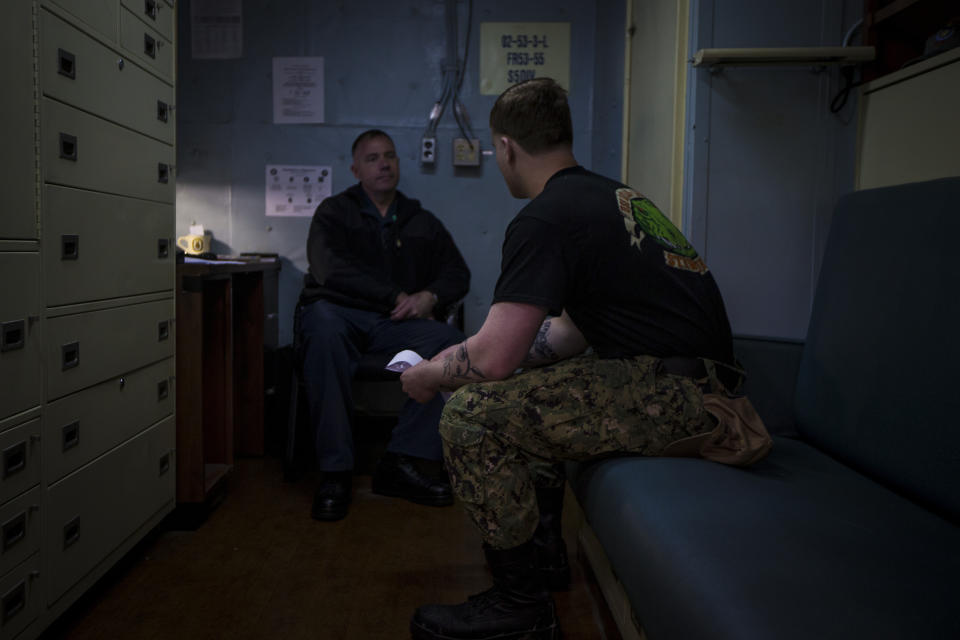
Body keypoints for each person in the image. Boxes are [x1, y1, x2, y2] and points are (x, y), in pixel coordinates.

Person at [400, 78, 746, 640]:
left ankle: (520, 607)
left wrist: (431, 373)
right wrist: (471, 359)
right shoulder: (610, 198)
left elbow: (490, 360)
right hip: (695, 386)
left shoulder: (545, 217)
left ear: (507, 147)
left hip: (681, 398)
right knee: (531, 393)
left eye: (495, 152)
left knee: (471, 414)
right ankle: (542, 564)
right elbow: (563, 337)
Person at [299, 129, 470, 522]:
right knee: (322, 331)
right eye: (373, 158)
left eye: (390, 156)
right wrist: (393, 295)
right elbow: (328, 270)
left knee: (450, 344)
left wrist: (430, 296)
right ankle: (335, 472)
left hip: (392, 326)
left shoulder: (420, 220)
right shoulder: (334, 212)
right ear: (356, 168)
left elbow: (457, 273)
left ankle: (403, 462)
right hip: (338, 316)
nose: (384, 164)